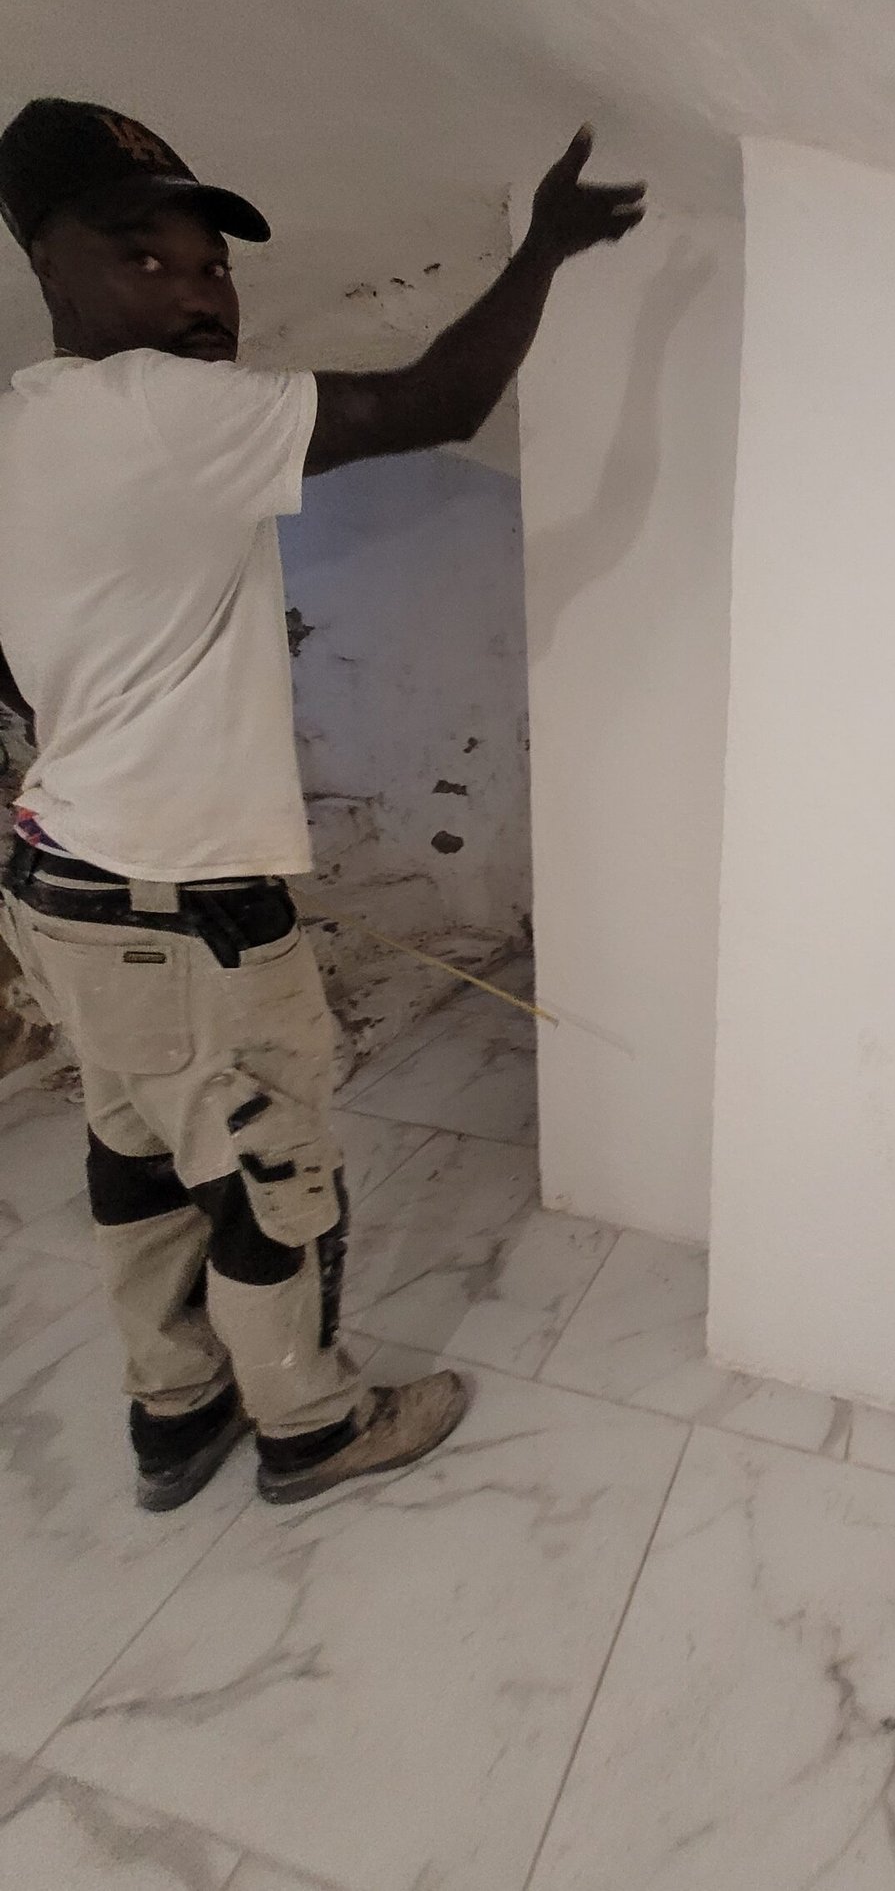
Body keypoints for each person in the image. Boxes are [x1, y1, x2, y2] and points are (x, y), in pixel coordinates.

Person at [0, 97, 644, 1509]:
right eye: (143, 257)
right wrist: (542, 246)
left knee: (136, 1152)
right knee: (269, 1170)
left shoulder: (24, 421)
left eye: (211, 264)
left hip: (63, 885)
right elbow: (433, 404)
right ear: (48, 261)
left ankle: (173, 1408)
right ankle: (309, 1422)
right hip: (180, 904)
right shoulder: (162, 411)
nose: (198, 296)